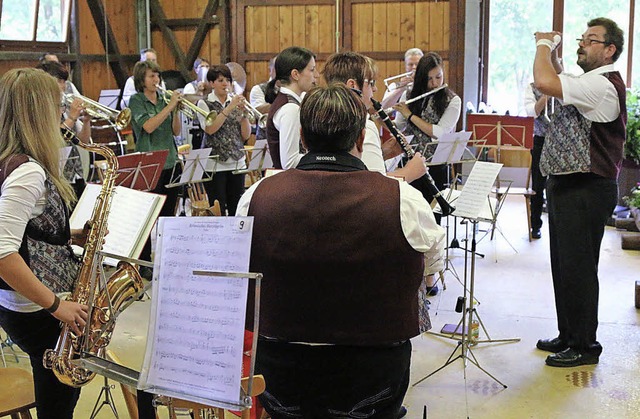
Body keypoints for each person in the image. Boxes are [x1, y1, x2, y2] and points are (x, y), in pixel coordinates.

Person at [236, 83, 445, 419]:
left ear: (302, 137)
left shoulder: (256, 195)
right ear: (362, 139)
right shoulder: (403, 198)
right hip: (371, 377)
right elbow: (430, 271)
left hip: (281, 374)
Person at [533, 18, 626, 367]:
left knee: (580, 268)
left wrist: (544, 43)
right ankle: (569, 334)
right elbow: (559, 78)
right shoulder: (589, 81)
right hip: (569, 183)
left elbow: (546, 80)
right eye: (582, 39)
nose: (582, 44)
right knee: (564, 265)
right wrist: (555, 53)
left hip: (587, 186)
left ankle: (586, 345)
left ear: (609, 50)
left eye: (591, 40)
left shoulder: (602, 85)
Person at [0, 68, 90, 418]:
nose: (59, 115)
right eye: (55, 107)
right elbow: (3, 253)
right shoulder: (28, 172)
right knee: (58, 403)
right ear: (38, 113)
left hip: (17, 304)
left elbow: (22, 232)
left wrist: (69, 235)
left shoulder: (10, 162)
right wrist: (57, 306)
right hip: (35, 309)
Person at [392, 52, 461, 295]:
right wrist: (393, 111)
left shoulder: (452, 100)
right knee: (409, 220)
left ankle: (430, 279)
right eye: (430, 79)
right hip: (408, 165)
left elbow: (440, 132)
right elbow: (399, 126)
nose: (435, 84)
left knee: (431, 222)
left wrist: (411, 115)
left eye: (438, 77)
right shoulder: (411, 93)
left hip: (435, 167)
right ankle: (410, 277)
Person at [322, 51, 426, 182]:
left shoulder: (323, 117)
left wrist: (381, 153)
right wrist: (410, 171)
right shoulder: (363, 126)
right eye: (371, 83)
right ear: (352, 85)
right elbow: (374, 184)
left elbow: (347, 169)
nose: (375, 89)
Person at [128, 60, 182, 266]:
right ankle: (144, 263)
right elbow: (149, 126)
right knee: (148, 217)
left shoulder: (164, 98)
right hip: (150, 163)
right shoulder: (136, 101)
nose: (156, 80)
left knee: (168, 215)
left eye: (157, 76)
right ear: (141, 79)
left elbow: (176, 131)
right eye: (151, 76)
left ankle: (166, 259)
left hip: (171, 160)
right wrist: (170, 106)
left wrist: (176, 110)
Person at [196, 65, 251, 216]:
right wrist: (229, 108)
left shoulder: (234, 102)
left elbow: (245, 135)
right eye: (221, 80)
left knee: (236, 208)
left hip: (237, 162)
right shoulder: (204, 103)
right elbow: (210, 129)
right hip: (214, 165)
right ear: (212, 83)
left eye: (228, 80)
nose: (225, 84)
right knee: (217, 210)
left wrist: (244, 115)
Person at [36, 61, 91, 199]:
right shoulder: (40, 108)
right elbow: (53, 137)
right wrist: (72, 117)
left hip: (75, 173)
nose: (63, 85)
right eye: (59, 80)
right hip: (57, 178)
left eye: (64, 81)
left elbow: (83, 141)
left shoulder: (64, 105)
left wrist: (86, 121)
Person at [265, 46, 319, 169]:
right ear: (295, 74)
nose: (316, 75)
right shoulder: (290, 109)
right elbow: (289, 162)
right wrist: (321, 156)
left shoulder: (292, 103)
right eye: (311, 70)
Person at [524, 82, 559, 239]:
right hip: (540, 140)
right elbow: (533, 113)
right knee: (538, 185)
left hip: (560, 141)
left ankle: (558, 226)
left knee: (558, 185)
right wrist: (546, 95)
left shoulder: (562, 84)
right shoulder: (532, 88)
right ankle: (535, 225)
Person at [249, 56, 277, 141]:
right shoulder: (258, 89)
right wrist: (281, 101)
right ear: (270, 70)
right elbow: (257, 111)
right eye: (277, 68)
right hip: (266, 139)